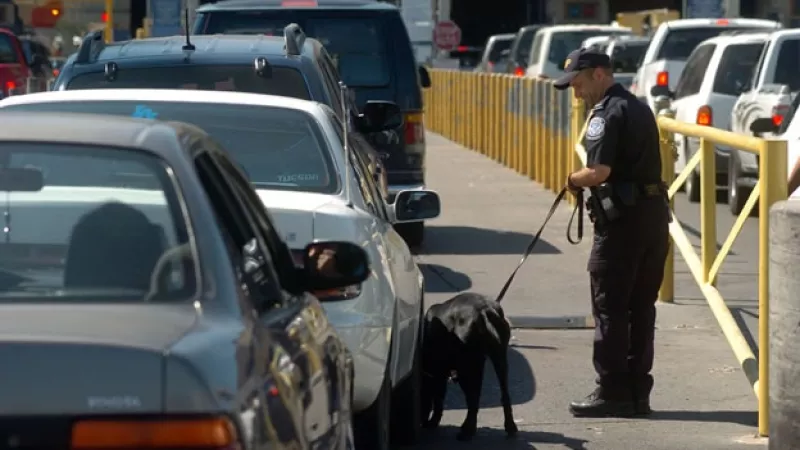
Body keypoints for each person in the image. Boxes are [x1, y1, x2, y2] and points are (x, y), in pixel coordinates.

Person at [554, 47, 671, 417]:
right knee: (641, 307)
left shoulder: (604, 114)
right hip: (653, 218)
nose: (575, 92)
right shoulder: (638, 107)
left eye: (578, 82)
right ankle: (638, 391)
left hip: (623, 224)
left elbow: (599, 171)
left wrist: (572, 179)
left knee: (610, 308)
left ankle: (612, 391)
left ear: (599, 75)